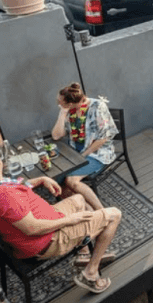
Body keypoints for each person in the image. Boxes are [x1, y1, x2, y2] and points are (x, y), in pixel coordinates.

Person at [0, 147, 122, 294]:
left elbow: (9, 186)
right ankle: (90, 273)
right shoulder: (4, 196)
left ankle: (83, 253)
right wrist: (70, 220)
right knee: (114, 215)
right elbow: (32, 228)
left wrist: (40, 179)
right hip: (46, 240)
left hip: (43, 223)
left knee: (79, 199)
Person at [51, 83, 116, 211]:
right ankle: (87, 212)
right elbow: (56, 136)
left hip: (97, 152)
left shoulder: (98, 107)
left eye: (60, 102)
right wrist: (62, 114)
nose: (58, 103)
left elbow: (103, 138)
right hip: (74, 150)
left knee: (71, 180)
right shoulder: (68, 110)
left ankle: (102, 212)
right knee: (57, 178)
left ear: (70, 104)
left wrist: (83, 156)